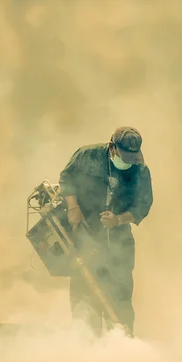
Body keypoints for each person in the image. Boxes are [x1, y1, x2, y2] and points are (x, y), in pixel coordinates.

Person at [58, 126, 153, 338]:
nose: (128, 161)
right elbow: (66, 178)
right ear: (112, 147)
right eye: (124, 156)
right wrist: (73, 208)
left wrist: (119, 220)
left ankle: (119, 343)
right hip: (85, 232)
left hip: (119, 239)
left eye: (132, 157)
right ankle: (86, 343)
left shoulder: (140, 170)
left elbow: (142, 205)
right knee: (85, 289)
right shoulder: (87, 155)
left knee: (119, 293)